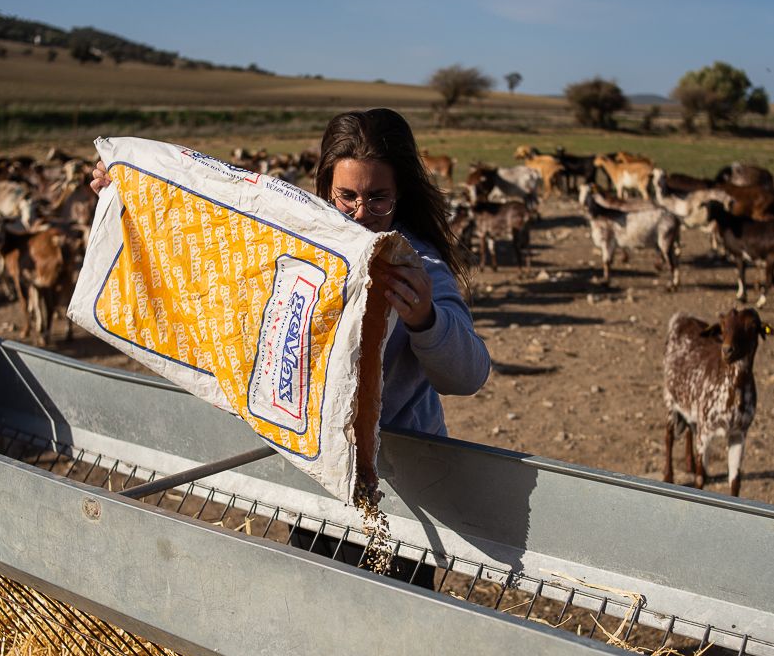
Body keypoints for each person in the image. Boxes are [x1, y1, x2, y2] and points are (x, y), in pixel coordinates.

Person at [89, 108, 490, 434]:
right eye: (346, 196)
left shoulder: (417, 265)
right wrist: (130, 190)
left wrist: (426, 320)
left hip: (403, 466)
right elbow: (203, 241)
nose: (361, 213)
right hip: (308, 456)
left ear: (400, 193)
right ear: (326, 187)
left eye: (378, 198)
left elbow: (468, 377)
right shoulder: (295, 240)